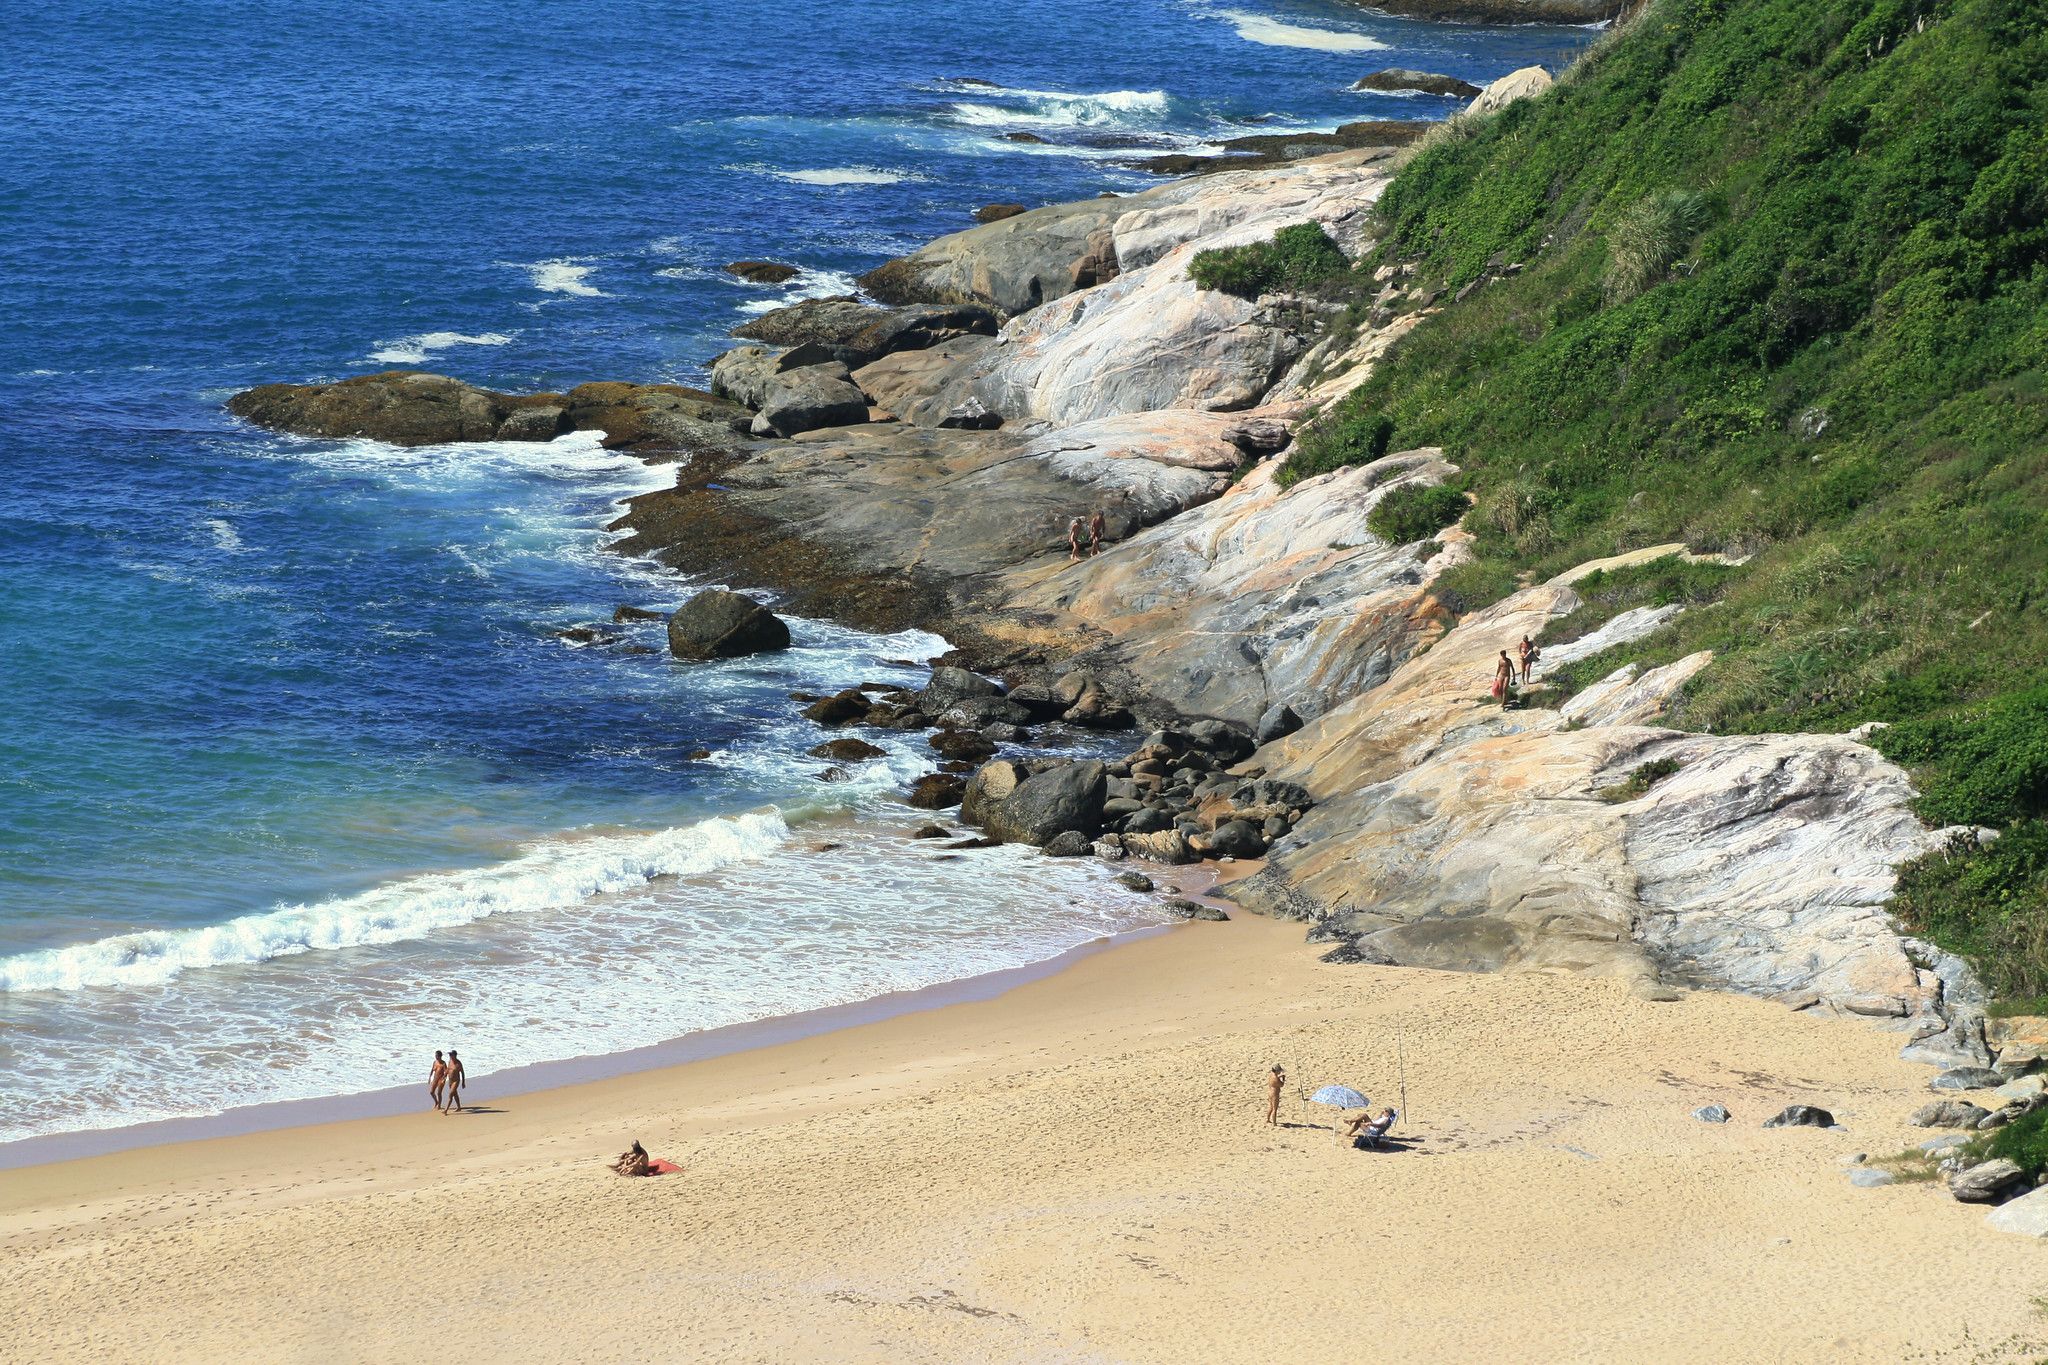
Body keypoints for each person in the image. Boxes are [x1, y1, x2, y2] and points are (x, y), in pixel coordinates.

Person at [442, 1049, 466, 1114]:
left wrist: (463, 1082)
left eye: (451, 1055)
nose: (449, 1056)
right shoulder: (450, 1061)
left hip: (456, 1081)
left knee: (450, 1094)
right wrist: (444, 1077)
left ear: (455, 1055)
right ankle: (459, 1107)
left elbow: (462, 1073)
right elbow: (448, 1069)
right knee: (455, 1094)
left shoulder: (458, 1063)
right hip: (450, 1081)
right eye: (449, 1055)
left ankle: (446, 1110)